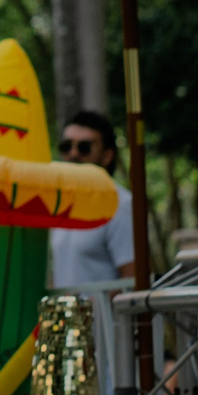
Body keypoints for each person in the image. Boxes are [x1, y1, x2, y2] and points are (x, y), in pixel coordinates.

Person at [50, 111, 136, 286]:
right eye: (66, 146)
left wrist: (92, 308)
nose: (73, 154)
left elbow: (133, 279)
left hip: (106, 314)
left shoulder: (121, 205)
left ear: (107, 156)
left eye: (84, 147)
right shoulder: (57, 203)